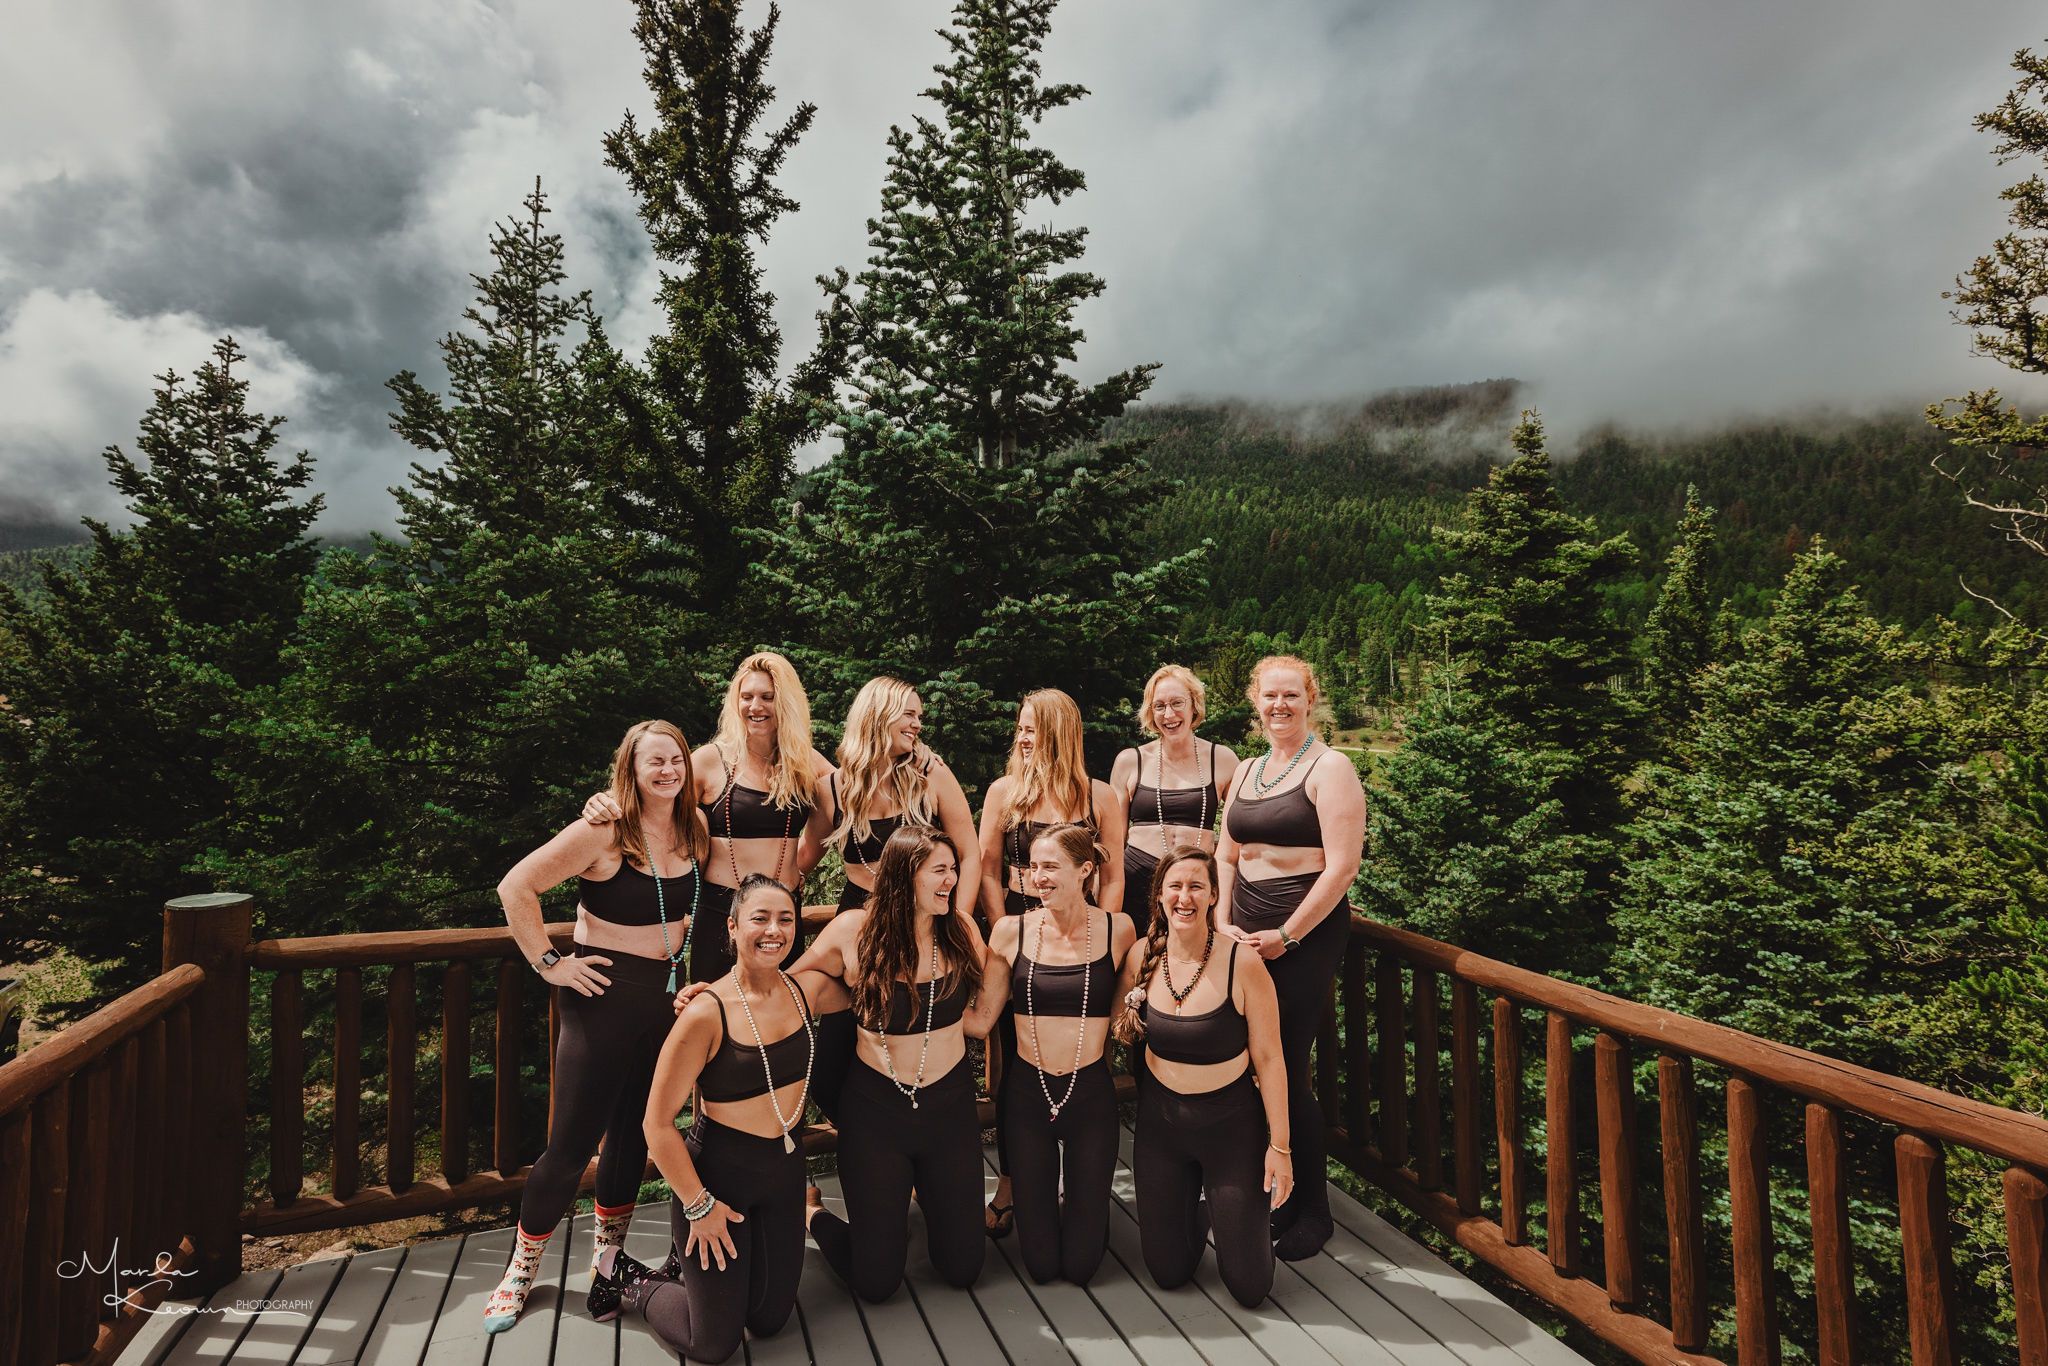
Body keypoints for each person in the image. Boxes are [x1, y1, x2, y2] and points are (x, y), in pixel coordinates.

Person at [484, 720, 709, 1333]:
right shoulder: (605, 829)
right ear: (630, 770)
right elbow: (516, 886)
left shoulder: (693, 826)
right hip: (601, 998)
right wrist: (550, 964)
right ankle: (520, 1270)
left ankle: (607, 1259)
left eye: (676, 760)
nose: (667, 771)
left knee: (635, 1135)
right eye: (653, 761)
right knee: (570, 1146)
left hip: (663, 1003)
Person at [590, 875, 848, 1361]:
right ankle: (625, 1275)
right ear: (731, 927)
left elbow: (870, 981)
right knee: (712, 1343)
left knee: (770, 1320)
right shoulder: (705, 1013)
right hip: (718, 1182)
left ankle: (714, 1284)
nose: (774, 930)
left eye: (786, 919)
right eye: (760, 918)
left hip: (784, 1174)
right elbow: (656, 1124)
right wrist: (698, 1205)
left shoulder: (806, 991)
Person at [797, 828, 990, 1301]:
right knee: (876, 1282)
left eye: (952, 869)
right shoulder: (853, 931)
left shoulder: (961, 929)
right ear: (906, 874)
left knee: (963, 1268)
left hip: (949, 1108)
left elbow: (993, 985)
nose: (951, 880)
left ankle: (923, 1199)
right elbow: (787, 982)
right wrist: (713, 997)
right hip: (876, 1113)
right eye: (939, 871)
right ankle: (812, 1212)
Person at [1215, 655, 1365, 1261]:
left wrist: (1289, 934)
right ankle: (1269, 1192)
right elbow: (1227, 854)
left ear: (1310, 699)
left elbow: (1343, 866)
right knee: (1245, 1061)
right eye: (1269, 696)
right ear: (1255, 701)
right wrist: (1220, 918)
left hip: (1302, 935)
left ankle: (1313, 1210)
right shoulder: (1248, 769)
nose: (1279, 705)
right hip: (1243, 931)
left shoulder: (1332, 768)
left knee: (1284, 1064)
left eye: (1291, 696)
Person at [975, 688, 1127, 1235]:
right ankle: (1012, 1181)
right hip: (1018, 927)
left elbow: (1113, 875)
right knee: (1012, 1060)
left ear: (1060, 734)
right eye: (1019, 727)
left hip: (1082, 931)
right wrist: (1005, 931)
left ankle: (1081, 1178)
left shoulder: (1099, 796)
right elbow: (988, 868)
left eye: (1031, 729)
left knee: (1084, 1047)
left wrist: (1103, 933)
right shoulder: (1004, 792)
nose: (1022, 738)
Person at [584, 652, 834, 984]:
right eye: (746, 697)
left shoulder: (805, 763)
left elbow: (849, 799)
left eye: (767, 697)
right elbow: (651, 791)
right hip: (720, 913)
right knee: (713, 1006)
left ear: (786, 703)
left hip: (782, 914)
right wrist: (605, 799)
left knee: (780, 1007)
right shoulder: (711, 759)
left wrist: (798, 868)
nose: (755, 706)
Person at [1114, 846, 1290, 1307]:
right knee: (1167, 1272)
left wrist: (1280, 1148)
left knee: (1250, 1288)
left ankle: (1230, 1212)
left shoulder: (1242, 963)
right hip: (1161, 1128)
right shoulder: (1140, 957)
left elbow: (1270, 1058)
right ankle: (1196, 1210)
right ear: (1159, 895)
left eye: (1197, 886)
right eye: (1174, 886)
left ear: (1214, 895)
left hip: (1230, 1129)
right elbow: (1114, 1026)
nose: (1184, 897)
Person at [968, 823, 1138, 1285]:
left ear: (1085, 870)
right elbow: (981, 1020)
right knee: (1041, 1267)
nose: (1037, 877)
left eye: (1050, 866)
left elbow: (1128, 1010)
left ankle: (1084, 1210)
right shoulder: (1010, 931)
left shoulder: (1118, 930)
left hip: (1090, 1096)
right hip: (1028, 1096)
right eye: (1032, 867)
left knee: (1082, 1267)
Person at [814, 677, 981, 1118]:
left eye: (919, 716)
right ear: (879, 715)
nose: (917, 724)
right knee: (832, 1058)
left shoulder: (931, 775)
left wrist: (956, 919)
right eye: (909, 714)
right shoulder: (833, 787)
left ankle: (917, 1133)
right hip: (860, 920)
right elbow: (799, 860)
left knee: (917, 1030)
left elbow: (970, 851)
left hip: (926, 919)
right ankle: (868, 1137)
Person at [1108, 665, 1238, 935]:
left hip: (1196, 885)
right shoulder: (1130, 761)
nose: (1169, 715)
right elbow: (1113, 841)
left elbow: (1237, 835)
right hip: (1137, 880)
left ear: (1194, 705)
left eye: (1177, 703)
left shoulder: (1223, 760)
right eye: (1159, 706)